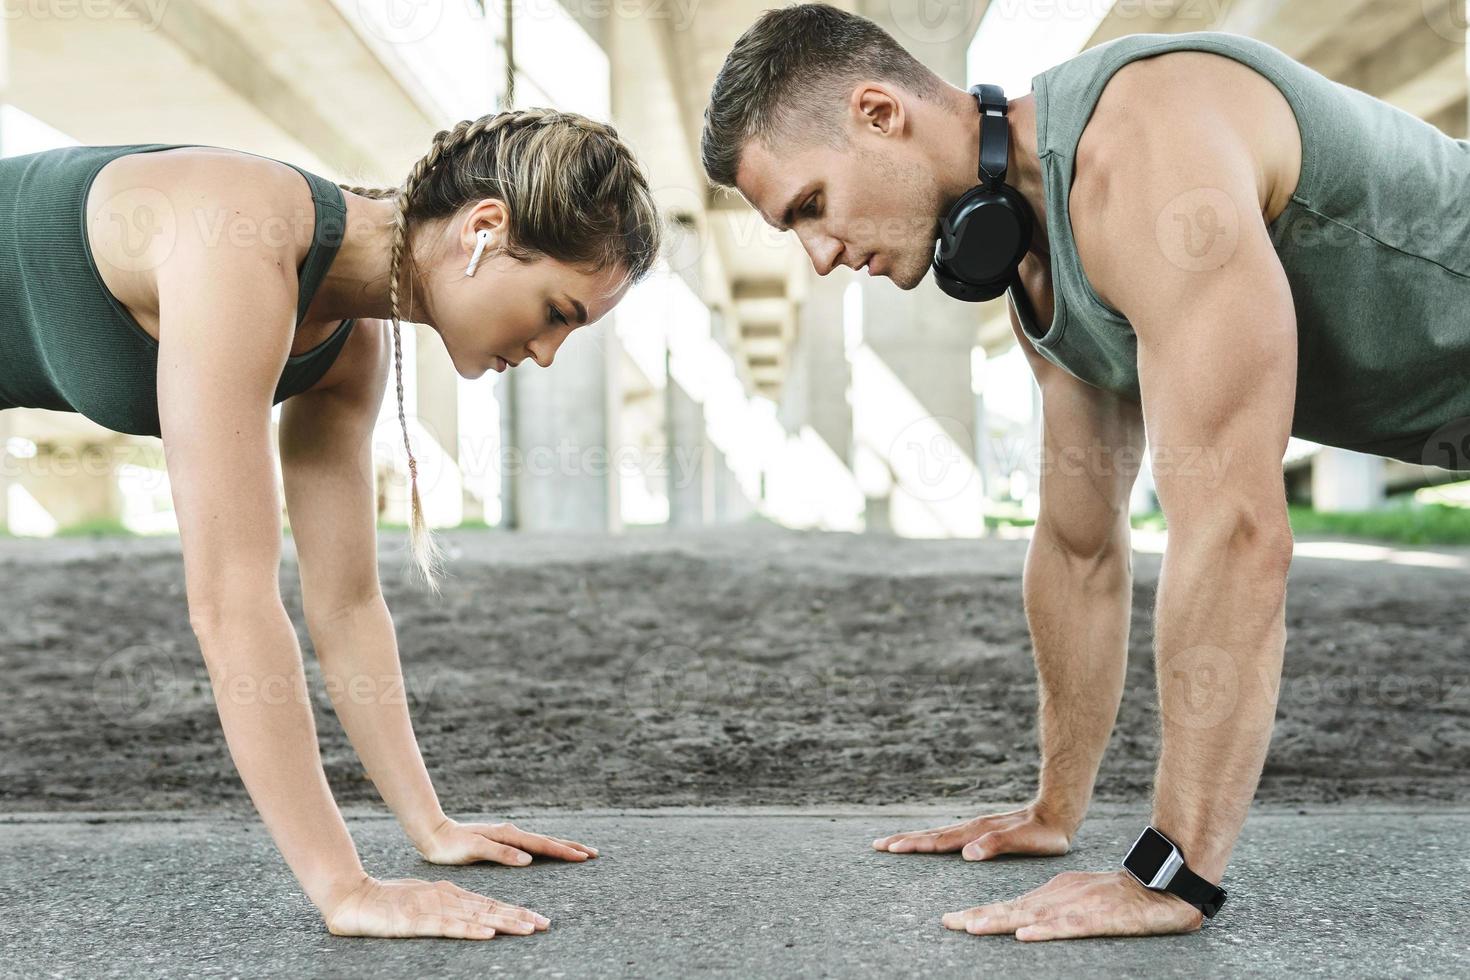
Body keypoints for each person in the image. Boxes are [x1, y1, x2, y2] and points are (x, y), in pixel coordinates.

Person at [700, 3, 1470, 941]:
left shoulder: (1143, 154)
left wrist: (1169, 877)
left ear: (877, 112)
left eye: (810, 207)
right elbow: (1078, 548)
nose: (818, 256)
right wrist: (1054, 810)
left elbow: (1235, 530)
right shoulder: (1038, 264)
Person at [0, 108, 661, 939]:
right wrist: (344, 888)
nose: (546, 353)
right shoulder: (242, 238)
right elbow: (230, 600)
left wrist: (430, 826)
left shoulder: (352, 345)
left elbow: (345, 603)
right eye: (558, 311)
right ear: (485, 230)